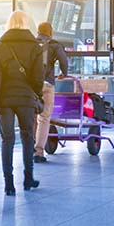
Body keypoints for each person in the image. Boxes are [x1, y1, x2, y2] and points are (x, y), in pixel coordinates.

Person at [0, 11, 44, 196]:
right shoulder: (35, 46)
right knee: (28, 137)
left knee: (7, 140)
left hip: (4, 100)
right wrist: (36, 93)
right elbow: (38, 77)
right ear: (26, 23)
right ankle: (28, 178)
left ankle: (9, 184)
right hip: (26, 98)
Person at [34, 22, 68, 163]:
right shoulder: (54, 44)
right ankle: (39, 152)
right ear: (51, 32)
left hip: (31, 86)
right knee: (44, 117)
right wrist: (63, 73)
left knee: (31, 117)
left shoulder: (31, 44)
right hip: (47, 84)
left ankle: (29, 148)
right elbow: (63, 61)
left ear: (38, 31)